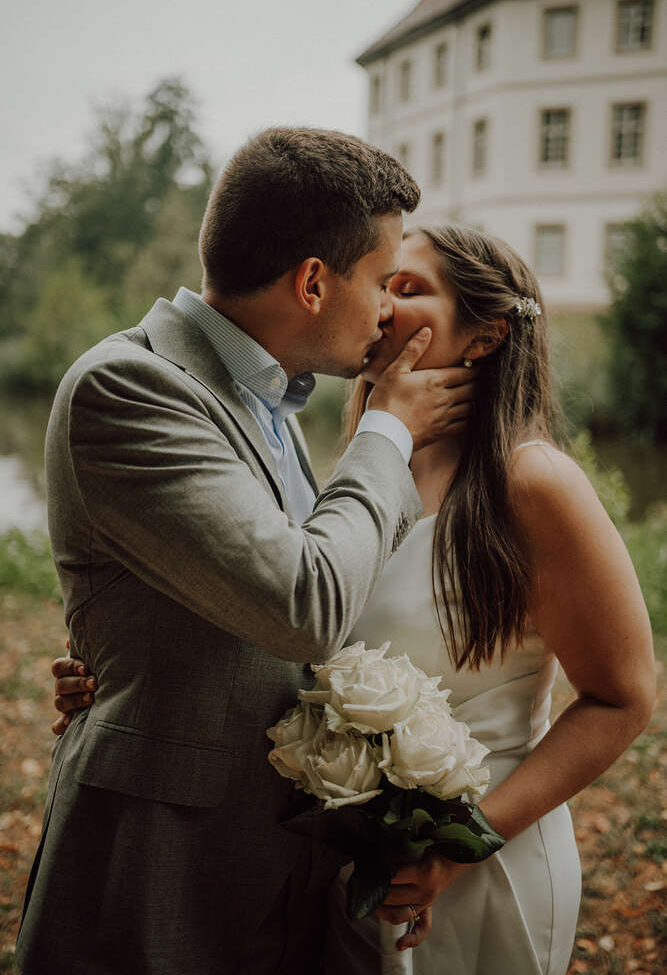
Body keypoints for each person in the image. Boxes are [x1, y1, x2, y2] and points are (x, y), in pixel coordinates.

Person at [56, 224, 655, 975]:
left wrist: (459, 844)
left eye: (406, 290)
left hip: (473, 868)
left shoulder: (532, 482)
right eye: (380, 284)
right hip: (336, 867)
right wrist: (119, 666)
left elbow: (622, 697)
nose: (379, 306)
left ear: (486, 335)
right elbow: (285, 609)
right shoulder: (361, 467)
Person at [16, 129, 478, 975]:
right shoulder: (130, 384)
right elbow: (302, 606)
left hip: (285, 862)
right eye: (380, 281)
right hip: (163, 855)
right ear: (311, 282)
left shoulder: (267, 396)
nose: (385, 310)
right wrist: (387, 429)